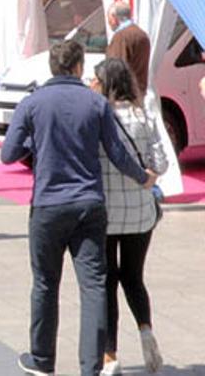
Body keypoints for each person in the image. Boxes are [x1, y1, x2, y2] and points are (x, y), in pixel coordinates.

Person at [1, 41, 156, 376]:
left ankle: (42, 360)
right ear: (78, 67)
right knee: (94, 285)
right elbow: (117, 152)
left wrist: (36, 141)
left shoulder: (32, 103)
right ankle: (92, 366)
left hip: (47, 206)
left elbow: (8, 154)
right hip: (88, 205)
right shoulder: (96, 103)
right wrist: (142, 177)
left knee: (45, 283)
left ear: (53, 68)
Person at [91, 59, 168, 374]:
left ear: (106, 83)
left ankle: (110, 354)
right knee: (134, 277)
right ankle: (146, 332)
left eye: (95, 79)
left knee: (108, 281)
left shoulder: (99, 118)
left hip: (108, 214)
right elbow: (161, 162)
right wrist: (147, 176)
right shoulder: (144, 115)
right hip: (140, 213)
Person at [106, 0, 152, 99]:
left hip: (124, 95)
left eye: (109, 19)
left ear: (114, 18)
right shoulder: (141, 34)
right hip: (139, 92)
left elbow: (115, 69)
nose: (109, 23)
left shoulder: (121, 37)